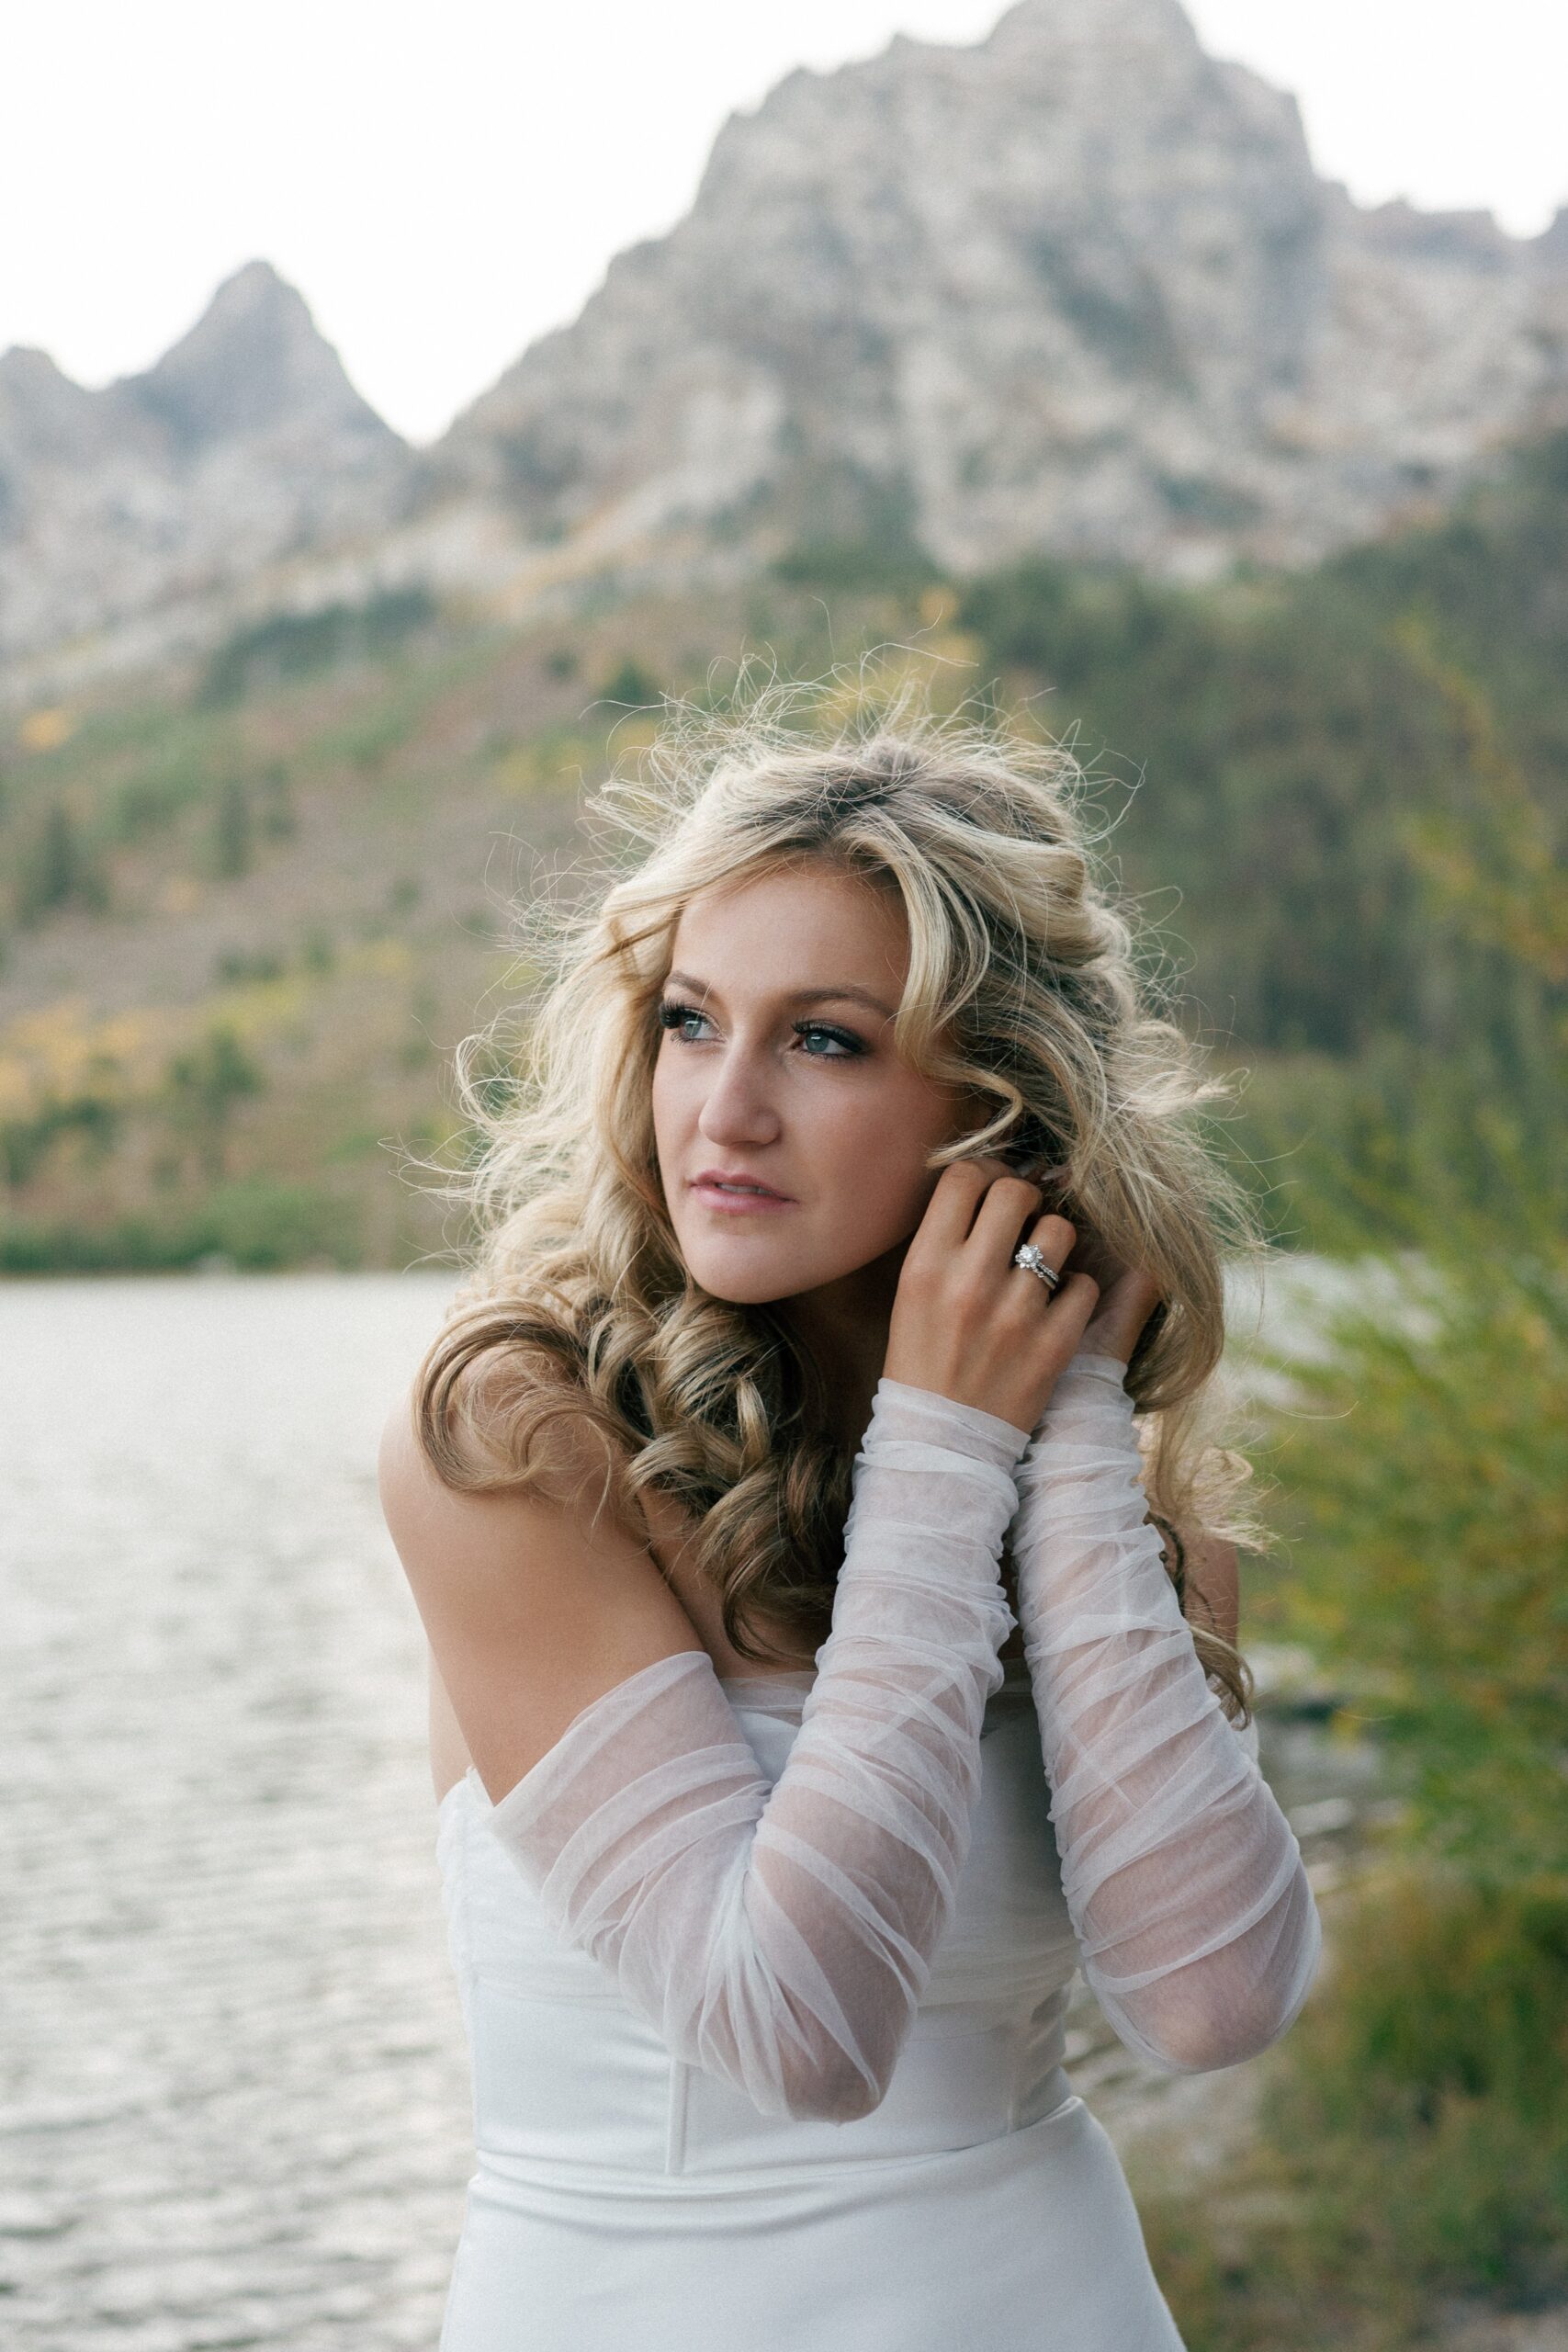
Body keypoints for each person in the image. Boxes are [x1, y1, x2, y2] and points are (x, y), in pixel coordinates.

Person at [378, 691, 1323, 2351]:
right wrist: (947, 1452)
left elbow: (1212, 2002)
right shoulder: (521, 1436)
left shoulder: (1129, 1503)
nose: (721, 1110)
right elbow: (796, 2030)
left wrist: (1075, 1422)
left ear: (996, 1105)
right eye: (688, 1021)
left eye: (822, 1038)